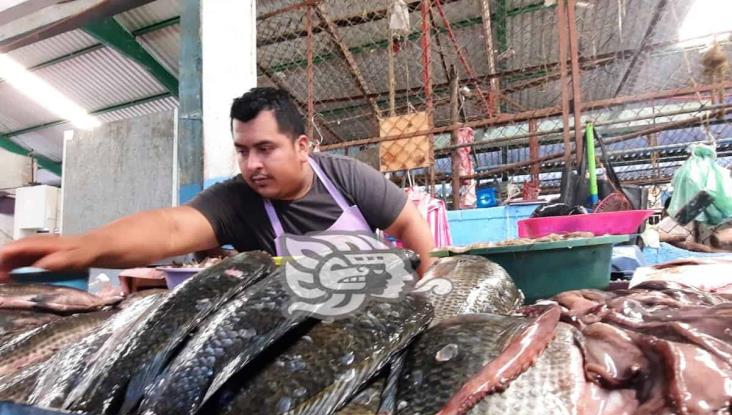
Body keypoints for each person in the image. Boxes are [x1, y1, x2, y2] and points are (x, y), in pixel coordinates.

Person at [0, 87, 436, 280]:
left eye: (265, 148)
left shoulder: (344, 177)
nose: (252, 164)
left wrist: (429, 286)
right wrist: (83, 248)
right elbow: (170, 228)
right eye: (243, 151)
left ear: (302, 146)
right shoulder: (236, 201)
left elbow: (409, 226)